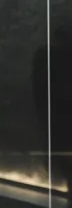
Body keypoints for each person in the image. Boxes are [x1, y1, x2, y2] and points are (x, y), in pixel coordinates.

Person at [33, 26, 72, 196]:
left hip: (52, 109)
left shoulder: (45, 55)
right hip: (62, 110)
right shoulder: (64, 56)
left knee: (53, 143)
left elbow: (38, 83)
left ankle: (56, 178)